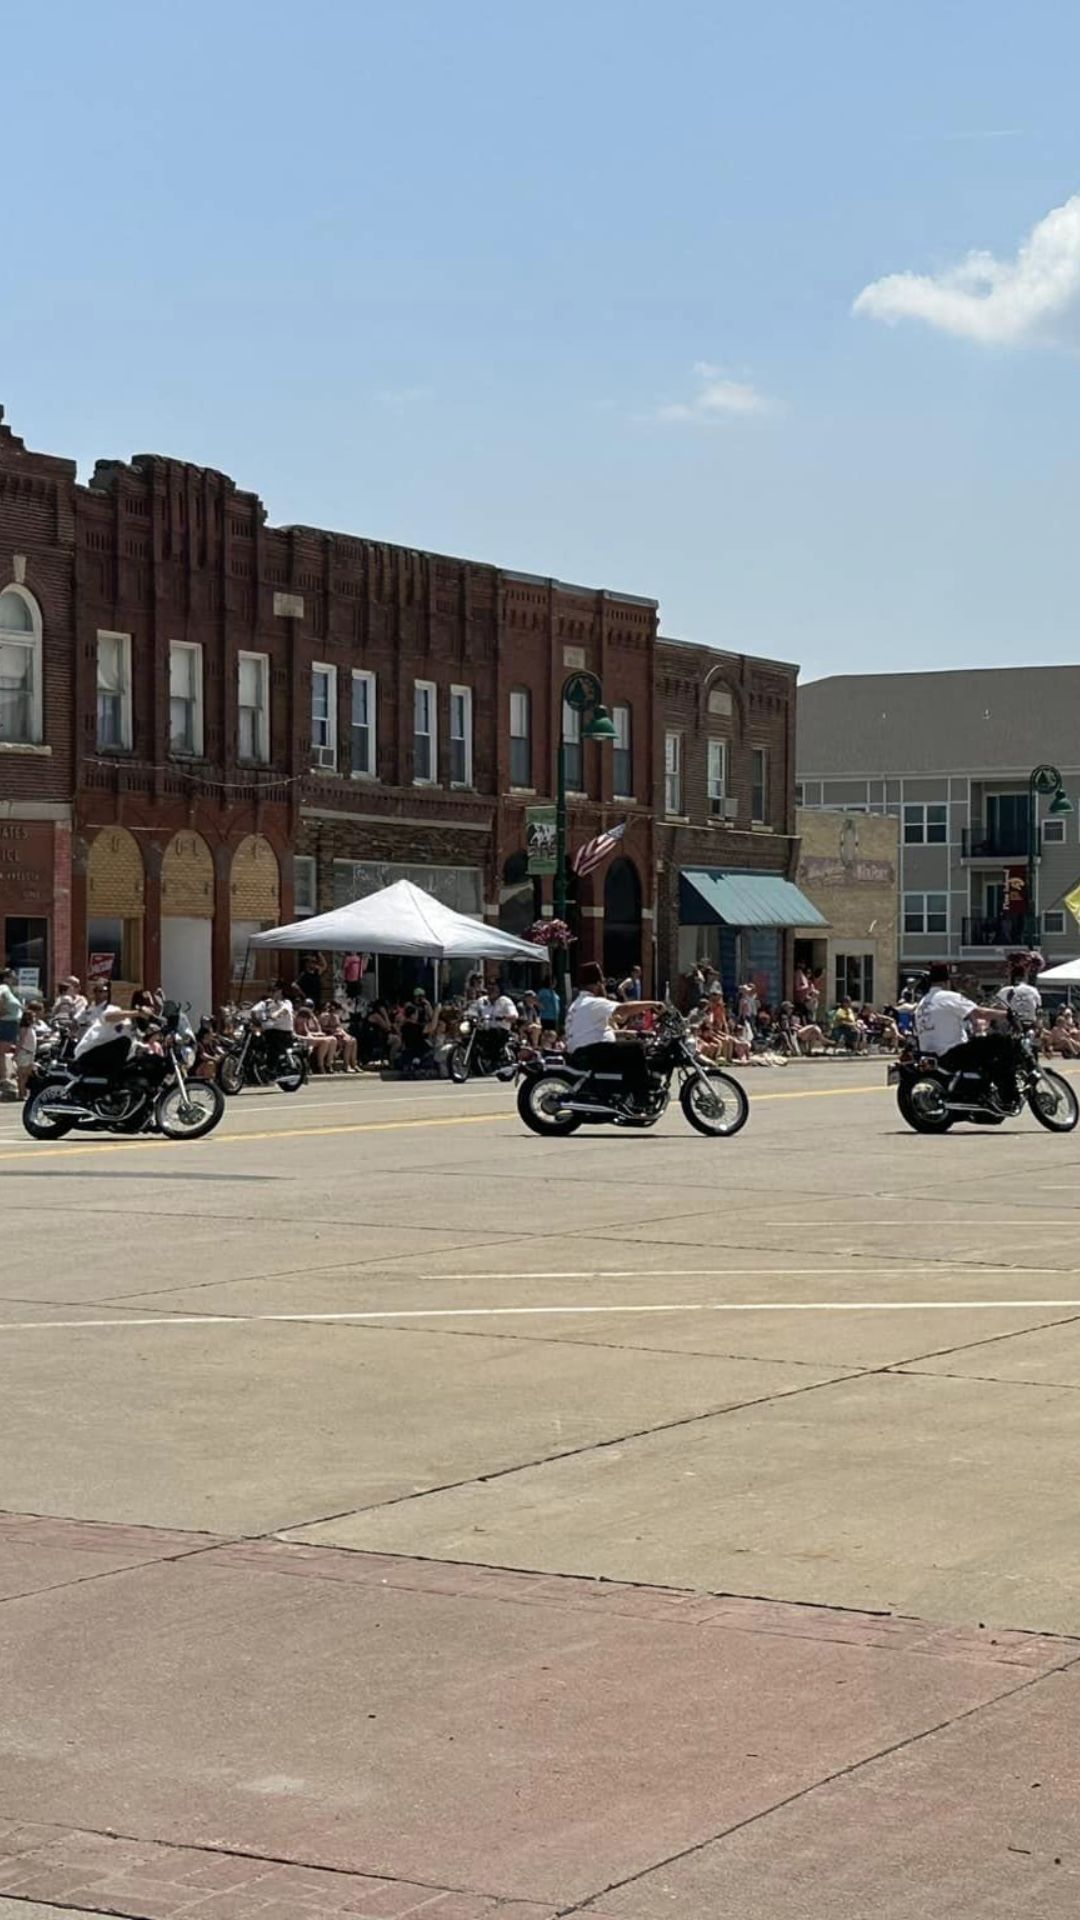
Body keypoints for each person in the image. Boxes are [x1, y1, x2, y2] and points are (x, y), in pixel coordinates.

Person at [564, 960, 666, 1112]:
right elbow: (622, 1010)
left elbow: (596, 1031)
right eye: (602, 983)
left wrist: (632, 1033)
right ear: (597, 984)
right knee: (636, 1049)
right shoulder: (594, 1002)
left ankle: (626, 1094)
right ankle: (641, 1098)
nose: (604, 987)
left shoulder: (579, 1003)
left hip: (585, 1049)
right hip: (591, 1052)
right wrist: (652, 1004)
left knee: (633, 1044)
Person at [915, 961, 1019, 1108]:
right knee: (1003, 1042)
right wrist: (1008, 1015)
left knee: (982, 1047)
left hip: (932, 1054)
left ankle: (984, 1090)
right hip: (952, 1052)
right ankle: (1008, 1096)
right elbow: (979, 1012)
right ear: (947, 980)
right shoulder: (948, 996)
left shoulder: (922, 1003)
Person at [251, 982, 296, 1074]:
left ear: (280, 991)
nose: (272, 993)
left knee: (273, 1043)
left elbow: (285, 1010)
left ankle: (271, 1068)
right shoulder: (265, 1003)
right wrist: (254, 1019)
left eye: (274, 991)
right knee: (254, 1040)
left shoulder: (286, 1002)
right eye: (270, 991)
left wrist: (276, 1014)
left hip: (283, 1032)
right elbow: (253, 1011)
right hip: (268, 1031)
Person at [996, 961, 1041, 1032]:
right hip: (1031, 1024)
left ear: (1012, 977)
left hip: (1014, 1026)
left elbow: (999, 1009)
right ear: (1024, 977)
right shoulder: (1033, 990)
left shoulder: (1007, 990)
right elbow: (1038, 1007)